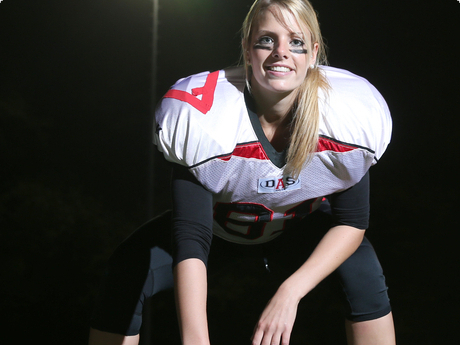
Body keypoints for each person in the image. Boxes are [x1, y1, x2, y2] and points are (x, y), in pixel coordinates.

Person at [88, 0, 396, 344]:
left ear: (313, 53)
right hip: (218, 229)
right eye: (267, 40)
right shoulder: (204, 118)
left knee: (363, 272)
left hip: (297, 228)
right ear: (248, 48)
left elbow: (352, 222)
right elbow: (191, 237)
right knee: (126, 270)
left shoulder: (347, 116)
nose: (281, 52)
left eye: (295, 42)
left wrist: (289, 293)